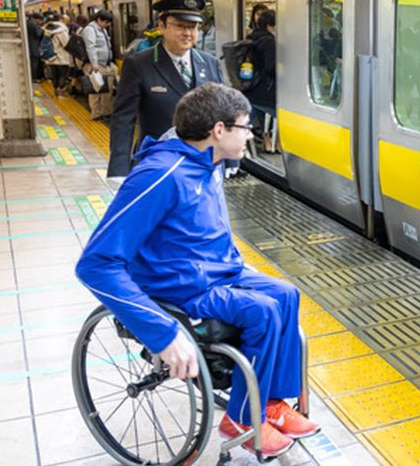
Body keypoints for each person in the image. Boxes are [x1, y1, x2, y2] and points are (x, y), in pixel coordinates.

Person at [76, 83, 320, 458]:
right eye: (245, 126)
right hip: (182, 288)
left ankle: (270, 402)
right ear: (218, 131)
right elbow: (96, 263)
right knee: (263, 312)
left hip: (215, 271)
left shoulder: (209, 163)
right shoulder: (161, 174)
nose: (251, 134)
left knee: (286, 294)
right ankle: (240, 419)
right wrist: (162, 333)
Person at [107, 0, 224, 184]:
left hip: (204, 165)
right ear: (161, 26)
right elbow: (123, 118)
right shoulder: (139, 64)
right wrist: (118, 168)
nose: (188, 33)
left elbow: (224, 113)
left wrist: (232, 158)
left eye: (193, 27)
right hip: (157, 165)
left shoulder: (210, 63)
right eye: (180, 26)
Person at [246, 9, 277, 151]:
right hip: (265, 88)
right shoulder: (269, 41)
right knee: (278, 114)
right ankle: (272, 142)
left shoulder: (251, 37)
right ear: (270, 25)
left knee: (246, 118)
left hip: (251, 87)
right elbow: (270, 66)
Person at [81, 10, 116, 120]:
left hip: (105, 64)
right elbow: (90, 47)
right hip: (96, 65)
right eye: (106, 22)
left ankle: (106, 111)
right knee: (96, 89)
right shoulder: (90, 30)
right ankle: (96, 113)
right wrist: (94, 64)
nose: (108, 25)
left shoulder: (102, 30)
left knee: (107, 89)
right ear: (99, 19)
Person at [44, 15, 73, 97]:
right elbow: (66, 44)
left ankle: (55, 91)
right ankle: (60, 92)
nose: (68, 22)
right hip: (61, 57)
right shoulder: (61, 30)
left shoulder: (48, 28)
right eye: (66, 20)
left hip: (51, 56)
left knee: (55, 75)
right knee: (62, 74)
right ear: (61, 19)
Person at [26, 13, 45, 82]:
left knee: (33, 62)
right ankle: (34, 78)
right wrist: (42, 29)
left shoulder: (28, 22)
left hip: (29, 45)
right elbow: (38, 34)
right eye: (40, 21)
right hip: (34, 46)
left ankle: (33, 77)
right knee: (34, 62)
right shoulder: (34, 24)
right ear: (37, 19)